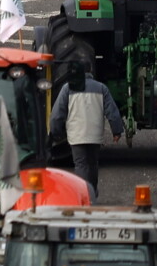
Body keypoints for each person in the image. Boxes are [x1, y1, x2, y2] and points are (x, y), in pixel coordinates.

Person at [48, 61, 122, 196]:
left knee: (81, 164)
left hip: (77, 136)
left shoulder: (67, 88)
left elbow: (57, 114)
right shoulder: (101, 88)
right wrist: (116, 131)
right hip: (95, 135)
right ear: (91, 71)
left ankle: (82, 195)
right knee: (93, 164)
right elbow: (112, 111)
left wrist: (55, 132)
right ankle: (92, 192)